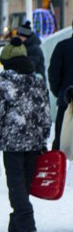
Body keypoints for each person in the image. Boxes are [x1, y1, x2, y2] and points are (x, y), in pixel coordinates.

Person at [0, 38, 51, 232]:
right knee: (24, 184)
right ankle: (15, 228)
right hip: (34, 142)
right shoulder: (38, 81)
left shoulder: (2, 83)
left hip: (12, 144)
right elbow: (45, 112)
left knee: (16, 185)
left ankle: (28, 227)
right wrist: (43, 137)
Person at [47, 23, 73, 151]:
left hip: (66, 100)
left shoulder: (62, 47)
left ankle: (60, 168)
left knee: (61, 141)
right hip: (66, 98)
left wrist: (60, 92)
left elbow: (53, 73)